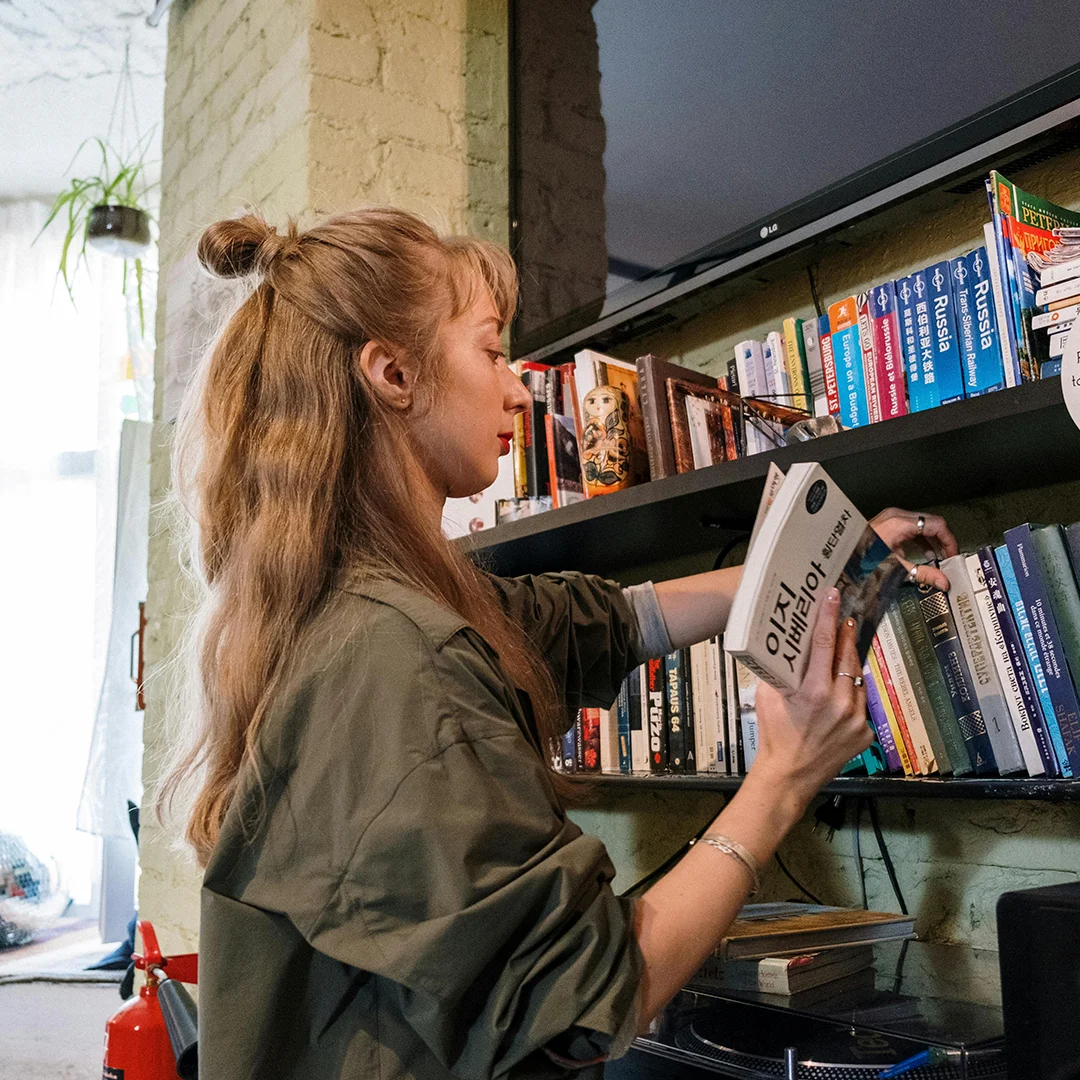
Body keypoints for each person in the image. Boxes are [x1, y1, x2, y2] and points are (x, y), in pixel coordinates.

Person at [159, 207, 957, 1080]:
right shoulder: (398, 654)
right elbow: (592, 996)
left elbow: (594, 622)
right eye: (492, 352)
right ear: (393, 373)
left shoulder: (368, 606)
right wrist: (784, 779)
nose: (517, 391)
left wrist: (830, 560)